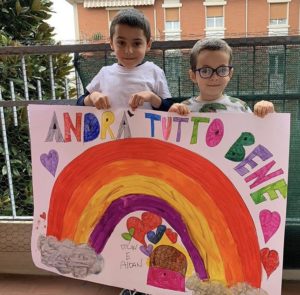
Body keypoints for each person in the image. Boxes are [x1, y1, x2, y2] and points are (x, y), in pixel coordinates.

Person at [76, 8, 171, 112]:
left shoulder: (155, 72)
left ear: (148, 45)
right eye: (121, 43)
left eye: (136, 43)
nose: (128, 51)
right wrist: (93, 97)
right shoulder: (104, 74)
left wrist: (152, 98)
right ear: (111, 43)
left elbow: (169, 108)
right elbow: (79, 103)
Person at [168, 38, 274, 116]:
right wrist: (171, 117)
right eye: (205, 71)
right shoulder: (183, 110)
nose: (214, 77)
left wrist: (268, 114)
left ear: (230, 73)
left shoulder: (240, 107)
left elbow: (262, 135)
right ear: (193, 75)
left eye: (222, 70)